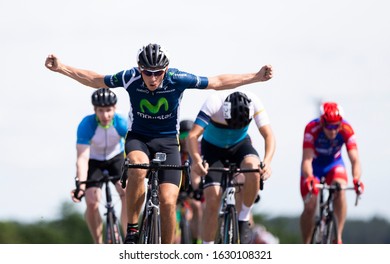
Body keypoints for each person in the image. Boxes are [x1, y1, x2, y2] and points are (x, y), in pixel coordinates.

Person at [45, 43, 273, 244]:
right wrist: (61, 67)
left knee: (167, 200)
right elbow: (96, 80)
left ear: (165, 70)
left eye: (158, 73)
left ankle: (166, 252)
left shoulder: (177, 79)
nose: (152, 78)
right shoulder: (130, 77)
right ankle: (133, 230)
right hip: (139, 139)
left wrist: (255, 76)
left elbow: (217, 82)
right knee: (137, 166)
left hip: (168, 143)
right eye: (147, 72)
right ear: (139, 68)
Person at [187, 90, 276, 244]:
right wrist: (196, 160)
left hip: (240, 145)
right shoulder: (214, 102)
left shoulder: (254, 102)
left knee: (254, 168)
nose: (233, 128)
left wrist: (267, 161)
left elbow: (269, 135)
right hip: (213, 149)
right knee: (213, 197)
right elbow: (192, 135)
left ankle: (244, 217)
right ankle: (207, 247)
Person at [300, 101, 365, 244]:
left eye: (336, 126)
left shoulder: (346, 129)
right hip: (314, 166)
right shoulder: (312, 128)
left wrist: (356, 179)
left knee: (340, 189)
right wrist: (309, 177)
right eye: (329, 126)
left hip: (334, 165)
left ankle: (338, 238)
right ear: (322, 123)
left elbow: (355, 159)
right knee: (310, 205)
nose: (333, 131)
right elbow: (307, 160)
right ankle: (305, 244)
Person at [71, 88, 128, 244]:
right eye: (101, 111)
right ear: (94, 110)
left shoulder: (122, 122)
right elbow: (82, 157)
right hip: (93, 160)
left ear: (115, 108)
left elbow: (133, 148)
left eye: (109, 110)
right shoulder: (86, 124)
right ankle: (99, 244)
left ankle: (130, 239)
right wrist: (81, 185)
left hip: (116, 157)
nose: (105, 116)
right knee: (91, 200)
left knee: (126, 192)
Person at [177, 120, 203, 244]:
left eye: (189, 136)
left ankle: (196, 240)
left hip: (192, 189)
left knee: (197, 207)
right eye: (183, 136)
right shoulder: (175, 150)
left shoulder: (198, 150)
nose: (186, 140)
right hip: (176, 189)